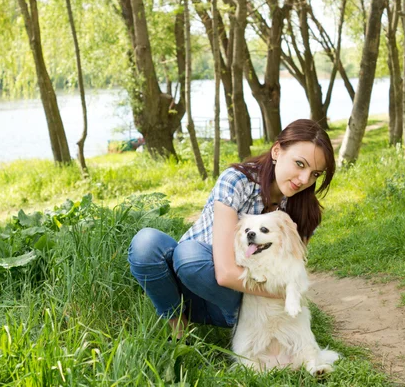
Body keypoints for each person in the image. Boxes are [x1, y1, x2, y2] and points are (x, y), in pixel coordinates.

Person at [128, 119, 336, 338]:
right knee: (147, 243)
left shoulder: (303, 211)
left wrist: (289, 291)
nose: (304, 179)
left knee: (188, 255)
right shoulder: (237, 181)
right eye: (300, 164)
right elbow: (225, 272)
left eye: (315, 174)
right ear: (277, 151)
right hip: (191, 283)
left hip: (240, 303)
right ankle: (179, 332)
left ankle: (241, 322)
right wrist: (285, 291)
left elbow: (294, 271)